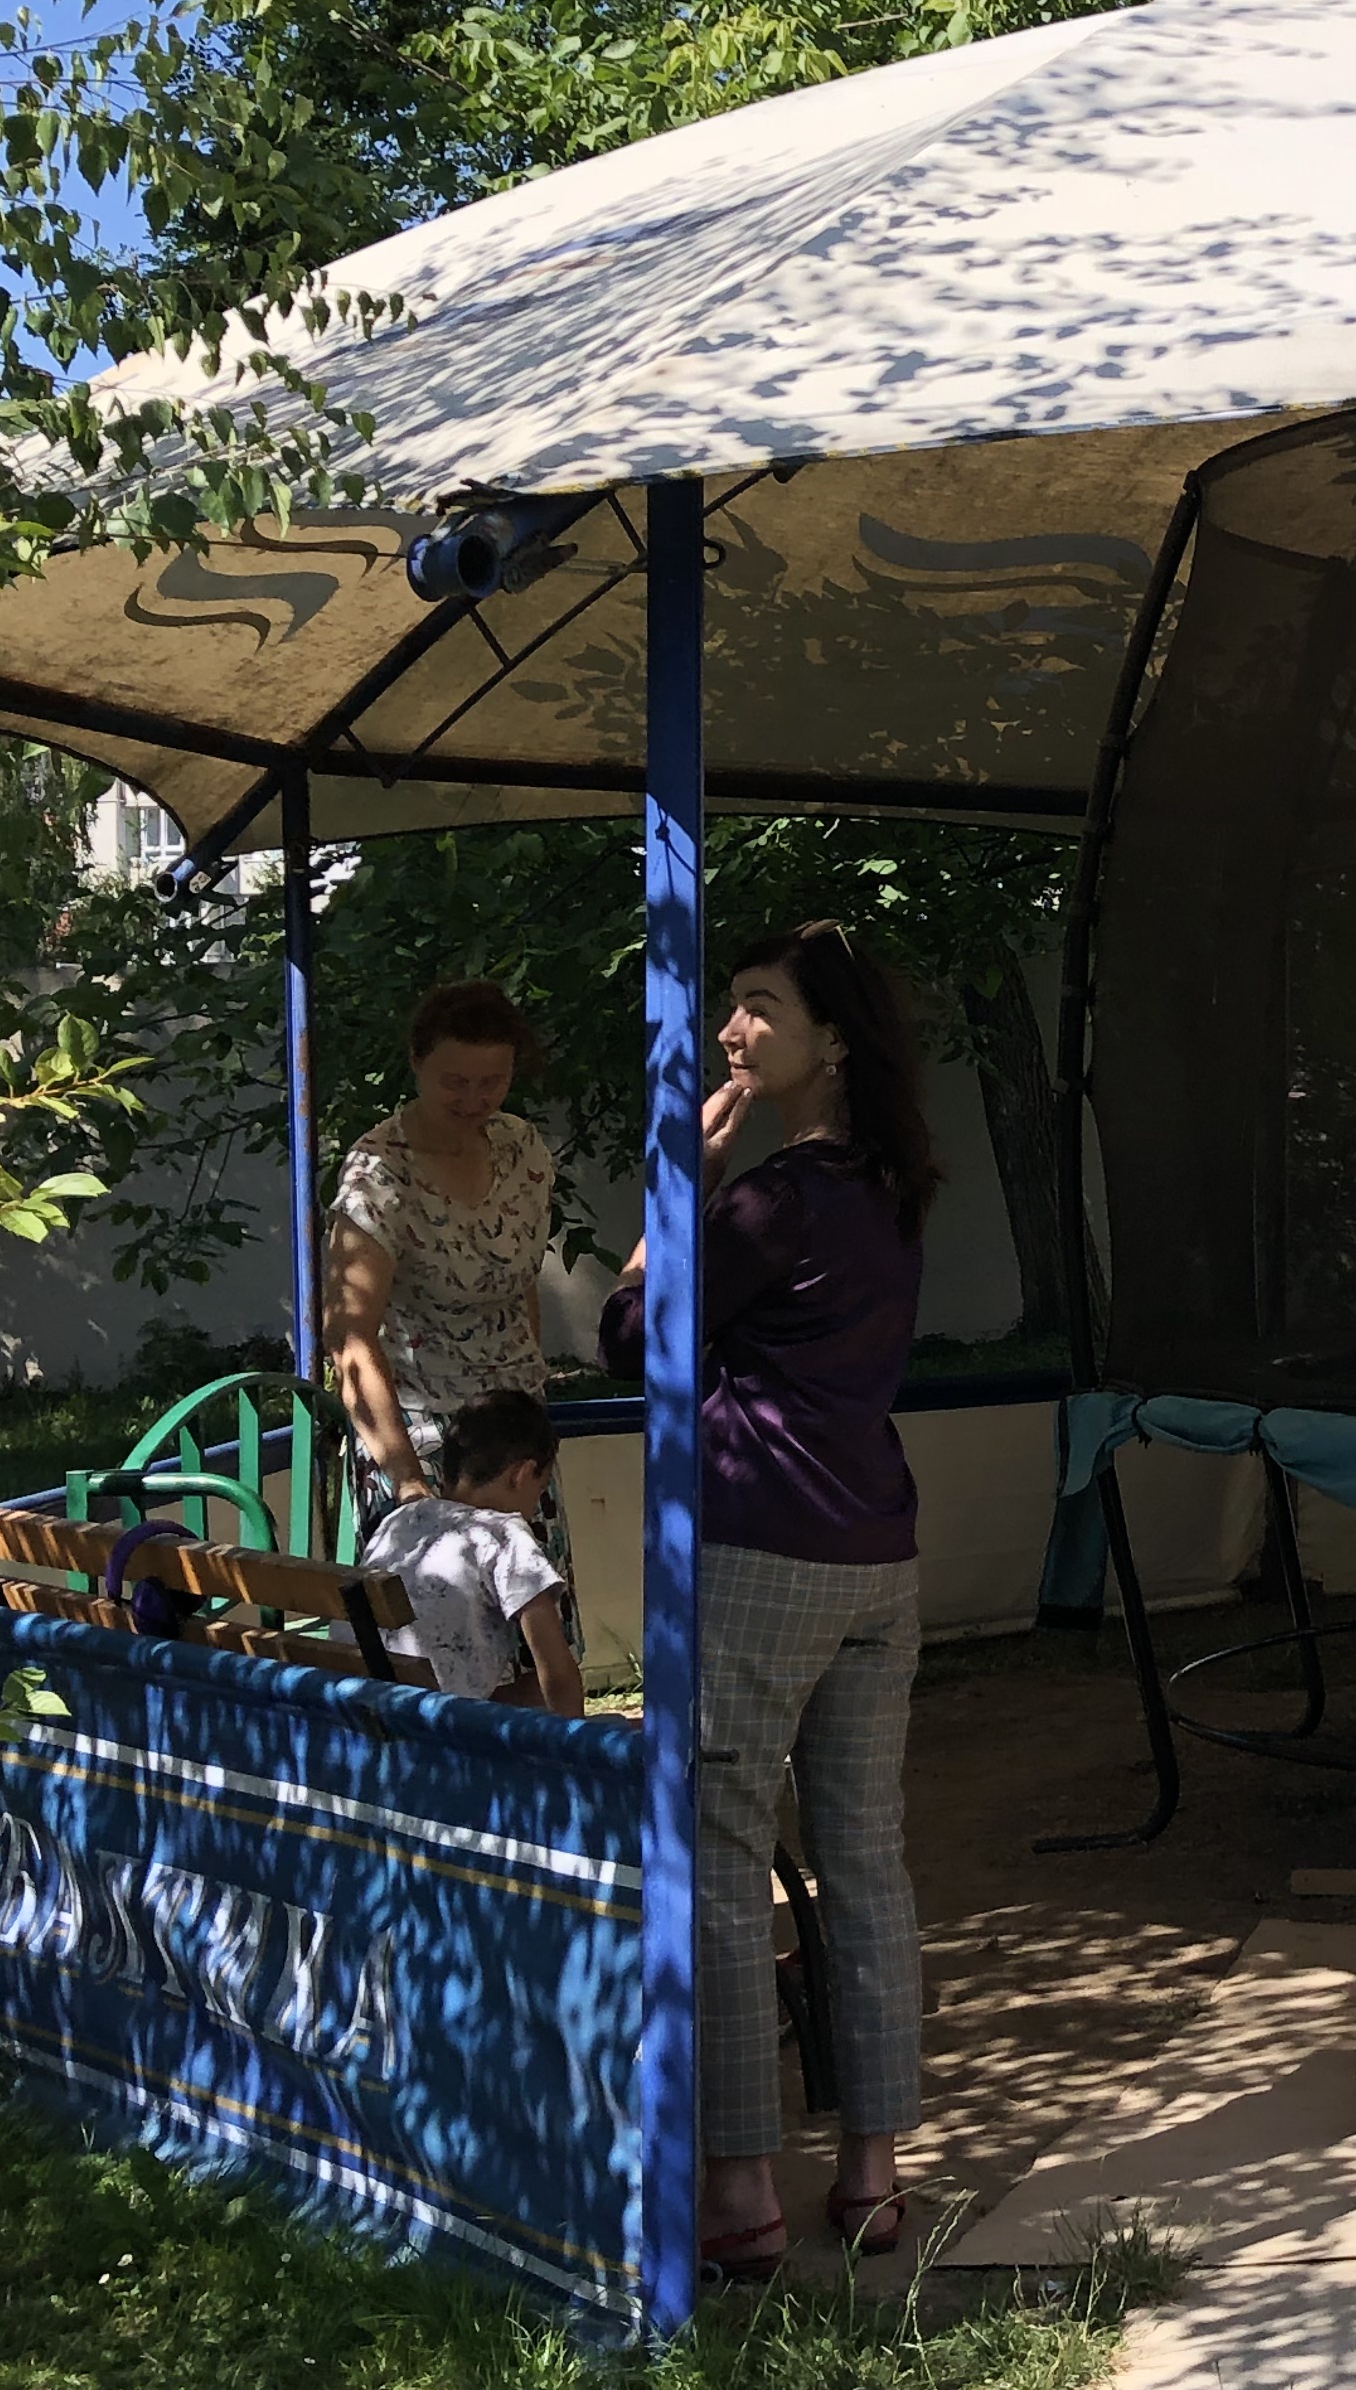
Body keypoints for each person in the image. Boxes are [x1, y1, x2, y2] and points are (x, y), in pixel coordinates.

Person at [603, 920, 938, 2285]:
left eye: (756, 1009)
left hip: (759, 1560)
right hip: (881, 1556)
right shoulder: (900, 1188)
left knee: (724, 1870)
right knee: (864, 1863)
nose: (731, 1032)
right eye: (729, 1008)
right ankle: (871, 2173)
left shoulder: (771, 1202)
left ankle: (739, 2186)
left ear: (830, 1043)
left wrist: (681, 1181)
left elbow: (635, 1339)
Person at [327, 980, 563, 1527]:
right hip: (422, 1443)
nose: (474, 1100)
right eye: (455, 1082)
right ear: (416, 1061)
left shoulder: (522, 1147)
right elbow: (349, 1337)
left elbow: (520, 1284)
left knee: (534, 1609)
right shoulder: (379, 1174)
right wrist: (409, 1481)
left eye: (493, 1082)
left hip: (518, 1444)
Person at [358, 1386, 584, 1711]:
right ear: (521, 1475)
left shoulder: (400, 1521)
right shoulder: (504, 1535)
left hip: (370, 1712)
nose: (535, 1504)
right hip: (440, 1732)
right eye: (539, 1486)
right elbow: (557, 1672)